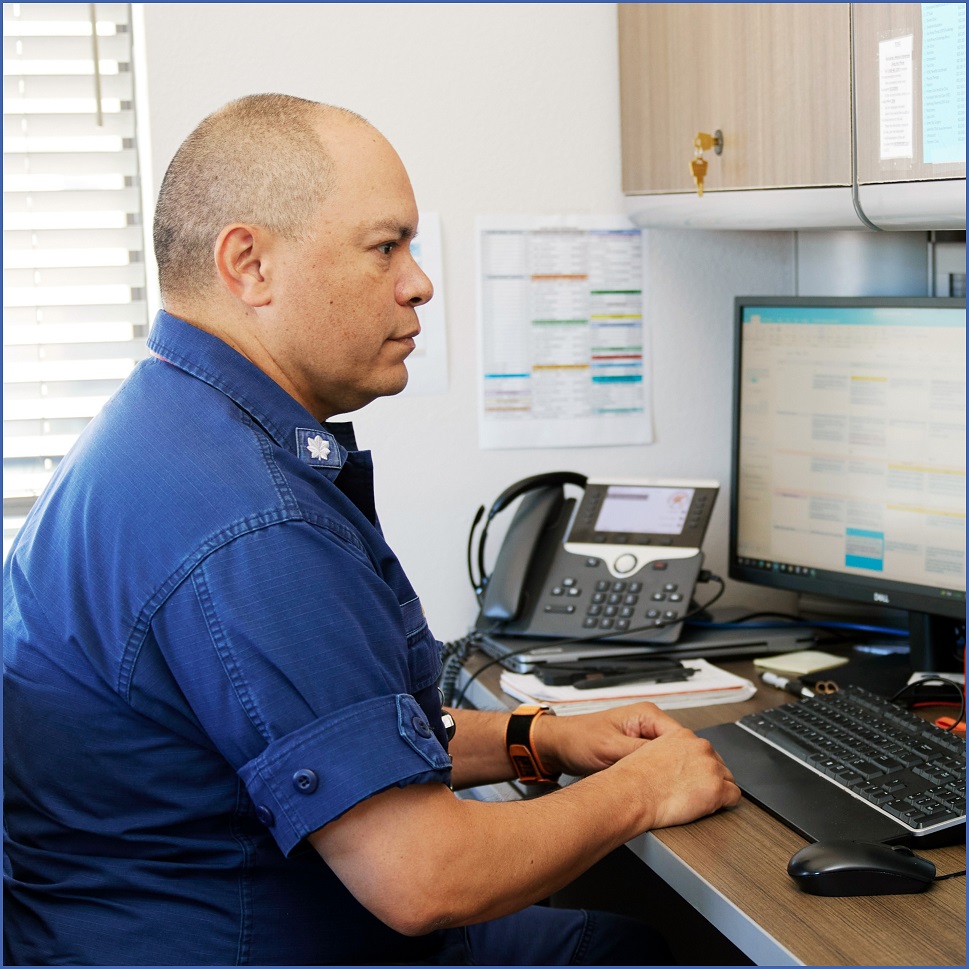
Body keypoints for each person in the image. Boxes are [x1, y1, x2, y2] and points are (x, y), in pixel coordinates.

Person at [3, 93, 740, 966]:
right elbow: (422, 879)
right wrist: (642, 792)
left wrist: (530, 737)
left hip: (157, 919)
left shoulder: (168, 425)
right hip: (244, 939)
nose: (418, 281)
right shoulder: (249, 522)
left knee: (620, 935)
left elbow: (330, 734)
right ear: (249, 264)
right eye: (385, 246)